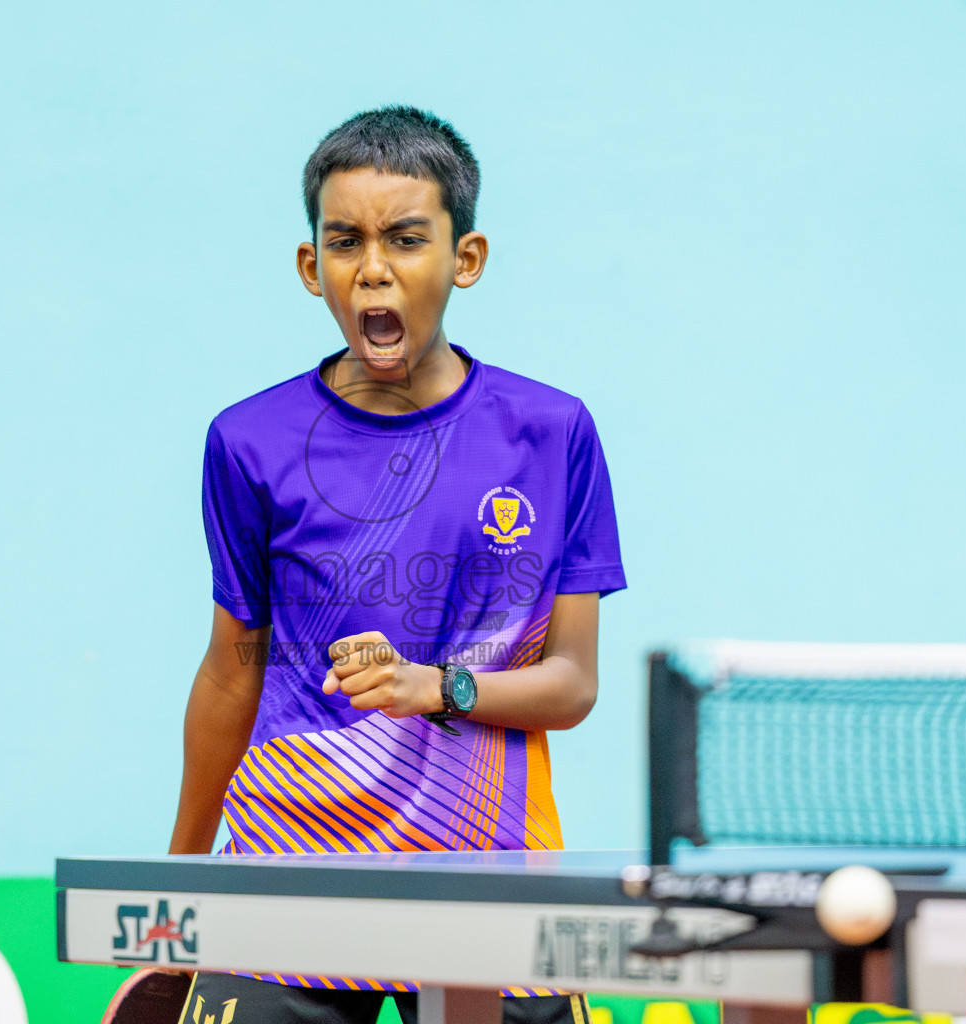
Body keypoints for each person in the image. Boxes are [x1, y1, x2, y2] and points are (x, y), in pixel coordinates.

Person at [169, 105, 627, 1024]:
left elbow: (572, 684)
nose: (373, 267)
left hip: (491, 881)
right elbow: (235, 668)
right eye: (345, 241)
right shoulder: (247, 441)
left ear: (466, 258)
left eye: (406, 238)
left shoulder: (551, 433)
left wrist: (437, 688)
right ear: (313, 267)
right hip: (287, 877)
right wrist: (180, 887)